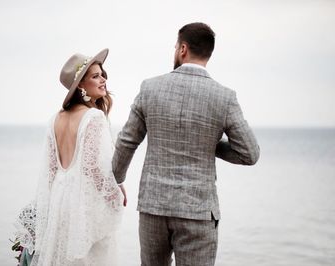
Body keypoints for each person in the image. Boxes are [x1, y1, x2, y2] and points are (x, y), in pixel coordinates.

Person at [112, 22, 260, 266]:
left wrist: (116, 179)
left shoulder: (150, 88)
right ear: (208, 53)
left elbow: (127, 140)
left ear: (182, 48)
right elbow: (249, 153)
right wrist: (209, 143)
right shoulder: (224, 97)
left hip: (153, 207)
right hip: (199, 210)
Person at [13, 48, 126, 266]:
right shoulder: (93, 117)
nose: (103, 80)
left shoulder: (55, 119)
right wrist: (115, 191)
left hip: (59, 200)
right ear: (81, 85)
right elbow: (94, 167)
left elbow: (52, 170)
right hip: (82, 204)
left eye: (103, 74)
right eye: (95, 76)